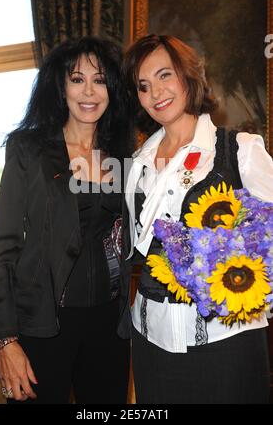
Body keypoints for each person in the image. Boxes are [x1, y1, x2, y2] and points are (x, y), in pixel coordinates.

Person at [118, 34, 273, 404]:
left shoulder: (240, 150)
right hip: (150, 342)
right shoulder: (137, 164)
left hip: (226, 343)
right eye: (143, 85)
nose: (155, 92)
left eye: (164, 75)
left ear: (188, 76)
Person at [0, 36, 134, 404]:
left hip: (110, 327)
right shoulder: (29, 149)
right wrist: (5, 339)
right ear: (60, 85)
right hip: (43, 325)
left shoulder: (125, 153)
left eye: (99, 80)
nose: (89, 91)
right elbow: (3, 246)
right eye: (77, 79)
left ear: (112, 88)